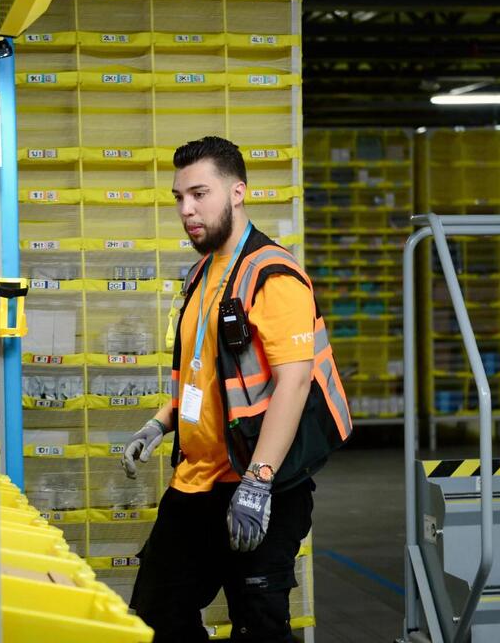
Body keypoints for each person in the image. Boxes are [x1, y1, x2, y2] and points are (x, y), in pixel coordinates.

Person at [120, 135, 352, 643]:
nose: (187, 209)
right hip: (196, 483)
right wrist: (160, 422)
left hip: (259, 488)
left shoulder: (272, 274)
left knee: (260, 627)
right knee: (154, 615)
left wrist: (259, 480)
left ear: (238, 192)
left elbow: (294, 382)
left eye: (200, 194)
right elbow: (204, 373)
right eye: (180, 197)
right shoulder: (202, 273)